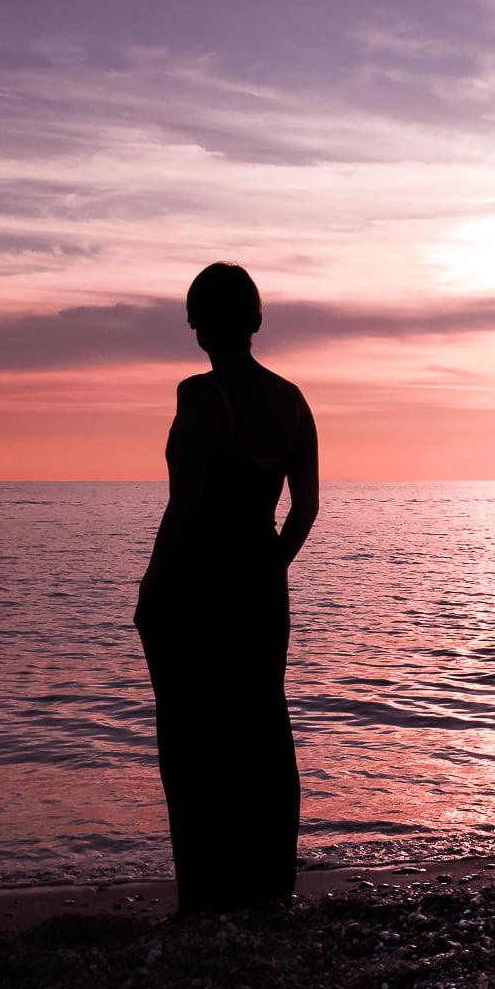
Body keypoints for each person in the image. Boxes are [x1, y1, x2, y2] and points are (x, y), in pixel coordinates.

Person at [133, 262, 318, 914]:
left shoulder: (201, 395)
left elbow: (185, 506)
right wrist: (272, 566)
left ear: (200, 323)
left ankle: (205, 893)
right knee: (264, 729)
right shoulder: (293, 399)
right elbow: (304, 508)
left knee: (191, 736)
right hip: (262, 586)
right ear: (254, 319)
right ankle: (269, 884)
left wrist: (153, 587)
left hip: (199, 582)